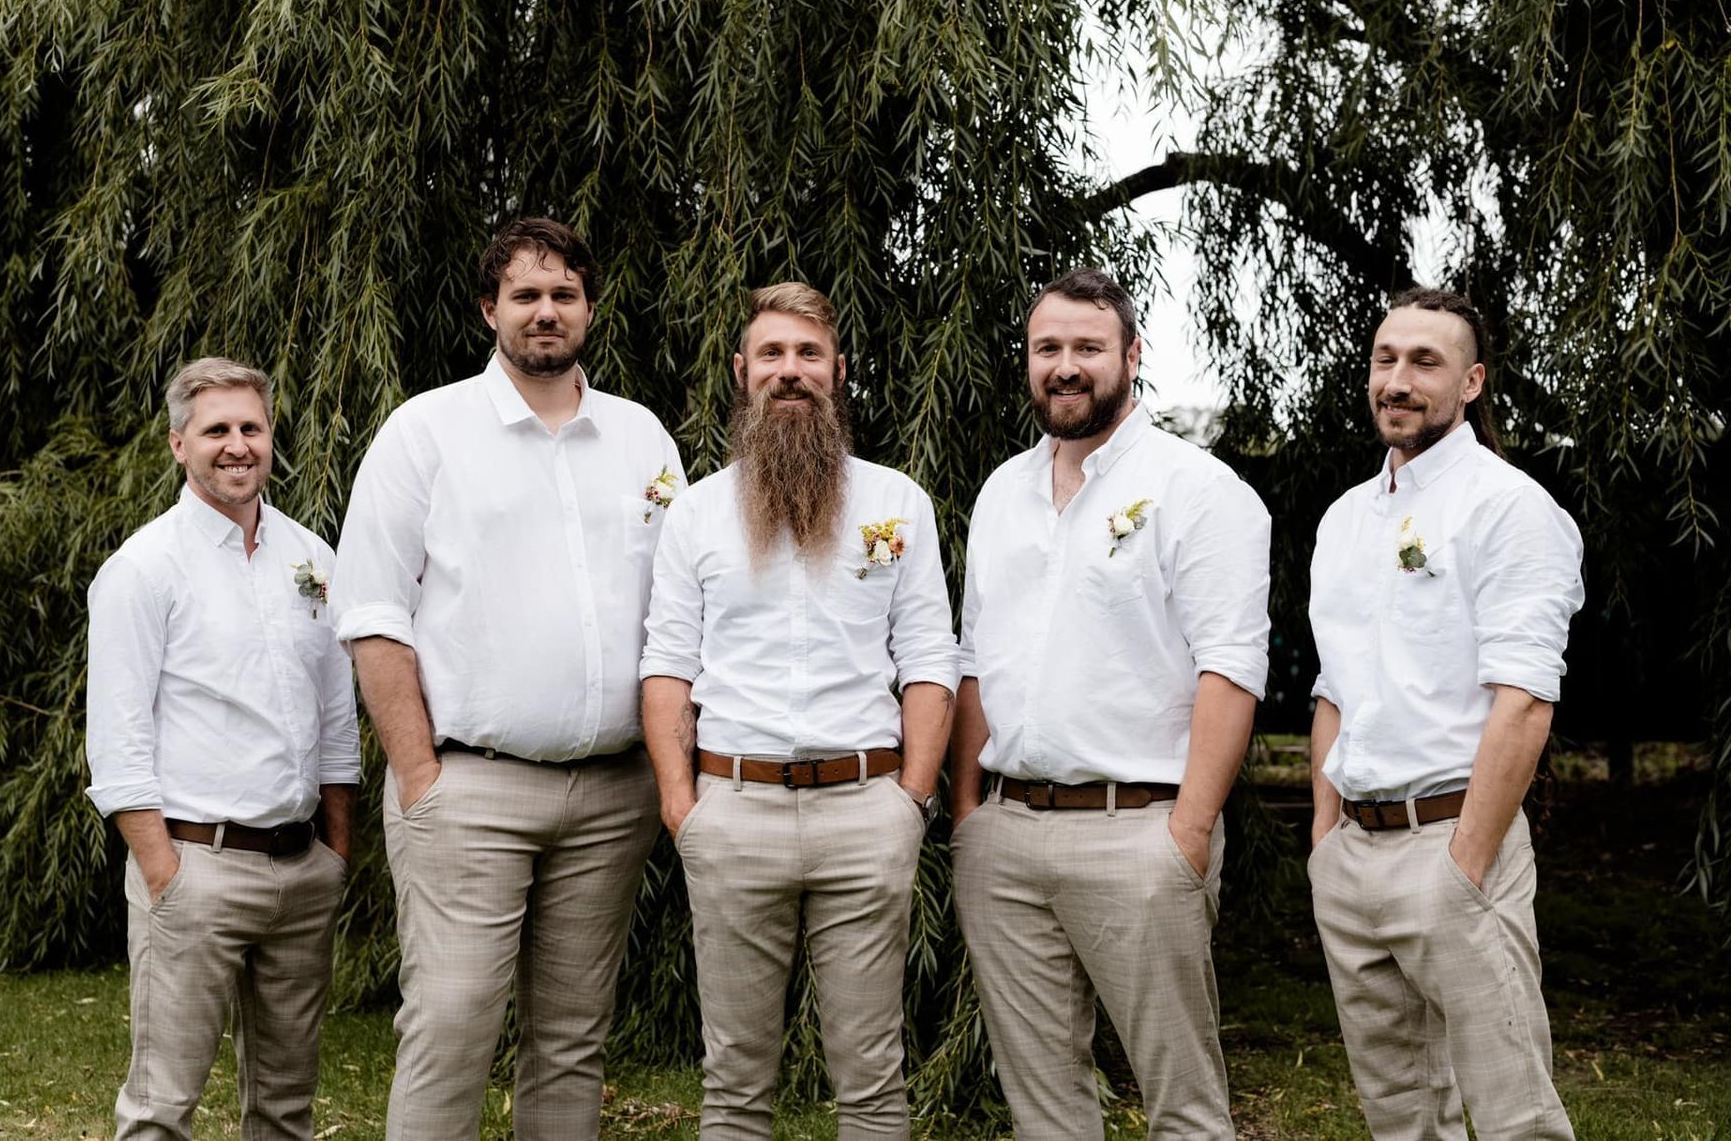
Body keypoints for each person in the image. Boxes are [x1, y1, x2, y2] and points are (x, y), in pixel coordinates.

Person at [330, 216, 683, 1140]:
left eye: (563, 294)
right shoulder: (426, 432)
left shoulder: (642, 439)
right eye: (525, 294)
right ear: (490, 309)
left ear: (589, 309)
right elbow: (371, 613)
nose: (545, 311)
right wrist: (418, 775)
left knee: (570, 1038)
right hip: (468, 784)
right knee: (451, 1025)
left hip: (613, 793)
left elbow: (679, 611)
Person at [947, 267, 1270, 1138]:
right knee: (1043, 1101)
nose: (1066, 366)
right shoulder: (1001, 493)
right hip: (1006, 838)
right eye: (1047, 348)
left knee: (1183, 1103)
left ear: (1132, 356)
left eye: (1088, 348)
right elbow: (974, 659)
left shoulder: (1198, 490)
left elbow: (1232, 669)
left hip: (1142, 832)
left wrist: (1189, 833)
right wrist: (970, 813)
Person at [638, 282, 957, 1141]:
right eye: (772, 355)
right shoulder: (696, 513)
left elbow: (931, 663)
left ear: (838, 372)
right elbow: (667, 664)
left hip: (867, 811)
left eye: (808, 354)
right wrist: (682, 807)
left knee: (872, 1078)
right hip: (731, 812)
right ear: (742, 372)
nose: (791, 371)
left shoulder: (898, 504)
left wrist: (910, 803)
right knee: (736, 1081)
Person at [1308, 288, 1583, 1140]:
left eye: (1425, 362)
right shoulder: (1345, 518)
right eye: (1386, 359)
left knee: (1514, 1115)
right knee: (1398, 1113)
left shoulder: (1509, 508)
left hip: (1456, 842)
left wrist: (1466, 865)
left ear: (1471, 383)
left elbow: (1525, 701)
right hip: (1353, 856)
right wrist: (1326, 841)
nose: (1398, 380)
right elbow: (1333, 689)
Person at [85, 357, 359, 1141]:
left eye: (251, 427)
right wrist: (164, 872)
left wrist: (335, 853)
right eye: (216, 430)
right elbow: (118, 738)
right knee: (161, 1108)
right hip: (195, 868)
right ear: (178, 443)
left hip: (301, 873)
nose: (236, 445)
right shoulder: (144, 568)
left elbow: (336, 718)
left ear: (271, 437)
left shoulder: (313, 558)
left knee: (284, 1108)